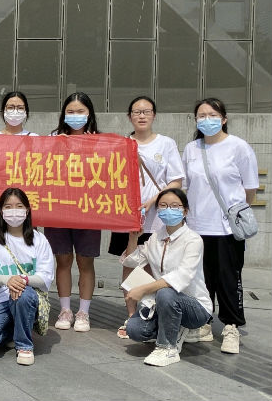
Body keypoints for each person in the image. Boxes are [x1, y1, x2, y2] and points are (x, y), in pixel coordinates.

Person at [181, 98, 258, 354]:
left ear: (224, 119)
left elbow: (250, 189)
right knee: (201, 279)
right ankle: (203, 322)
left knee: (228, 278)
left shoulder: (239, 147)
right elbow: (186, 187)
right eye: (201, 116)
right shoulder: (191, 148)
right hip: (197, 226)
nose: (207, 120)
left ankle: (231, 326)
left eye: (212, 115)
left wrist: (234, 213)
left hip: (227, 229)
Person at [109, 96, 184, 338]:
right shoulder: (121, 144)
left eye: (146, 111)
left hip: (159, 219)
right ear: (129, 116)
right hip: (127, 217)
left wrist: (153, 201)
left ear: (154, 115)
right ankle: (132, 316)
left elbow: (176, 181)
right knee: (130, 265)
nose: (141, 115)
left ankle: (154, 315)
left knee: (156, 266)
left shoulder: (166, 143)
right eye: (136, 111)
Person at [122, 188, 213, 367]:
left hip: (195, 307)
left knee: (165, 293)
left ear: (185, 211)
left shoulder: (193, 240)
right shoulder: (156, 237)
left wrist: (142, 289)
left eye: (175, 206)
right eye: (163, 206)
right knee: (134, 330)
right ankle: (175, 327)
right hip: (164, 304)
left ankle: (167, 348)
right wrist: (133, 238)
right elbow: (132, 261)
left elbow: (181, 277)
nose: (168, 210)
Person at [0, 188, 55, 365]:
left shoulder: (39, 240)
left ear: (27, 210)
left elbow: (45, 277)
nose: (13, 211)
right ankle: (13, 330)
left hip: (27, 296)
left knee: (22, 294)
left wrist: (22, 281)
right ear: (1, 211)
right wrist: (7, 280)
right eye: (8, 207)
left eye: (19, 206)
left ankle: (24, 345)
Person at [44, 91, 101, 332]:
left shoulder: (100, 141)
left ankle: (84, 312)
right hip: (58, 207)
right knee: (63, 259)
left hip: (89, 210)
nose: (75, 116)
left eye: (80, 111)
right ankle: (65, 309)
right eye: (70, 111)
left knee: (85, 261)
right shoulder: (53, 139)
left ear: (89, 114)